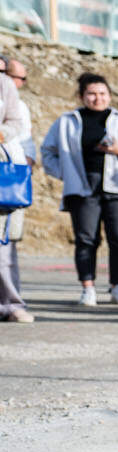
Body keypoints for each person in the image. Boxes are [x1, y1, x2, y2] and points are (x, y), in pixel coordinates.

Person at [41, 74, 118, 306]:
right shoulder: (67, 121)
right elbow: (48, 152)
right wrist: (66, 173)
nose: (98, 98)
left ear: (110, 96)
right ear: (81, 96)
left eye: (103, 94)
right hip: (84, 185)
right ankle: (88, 288)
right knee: (86, 239)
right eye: (92, 94)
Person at [0, 59, 30, 322]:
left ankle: (10, 303)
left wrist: (0, 133)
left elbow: (15, 123)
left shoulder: (4, 85)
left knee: (3, 245)